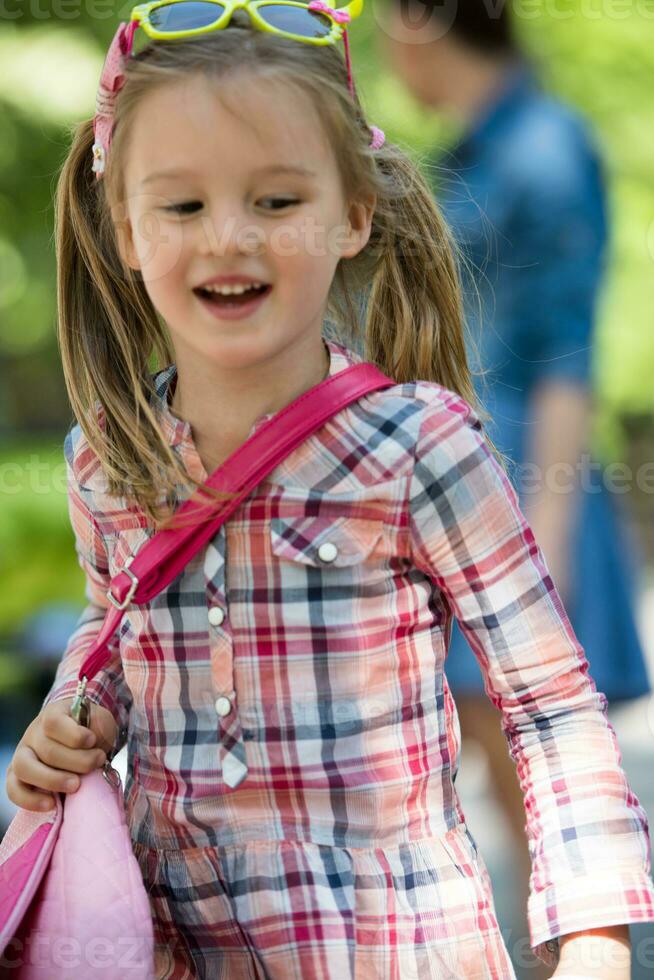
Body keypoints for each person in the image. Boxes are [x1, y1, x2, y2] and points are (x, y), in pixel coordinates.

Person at [6, 2, 654, 977]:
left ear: (352, 215)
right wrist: (67, 721)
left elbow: (551, 702)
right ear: (127, 230)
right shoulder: (107, 459)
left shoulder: (420, 447)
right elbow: (112, 640)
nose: (229, 236)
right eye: (182, 206)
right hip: (173, 937)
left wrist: (597, 938)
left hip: (385, 944)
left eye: (276, 201)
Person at [380, 0, 652, 969]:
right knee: (509, 792)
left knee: (554, 798)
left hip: (529, 494)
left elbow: (565, 358)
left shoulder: (545, 146)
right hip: (465, 491)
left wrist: (543, 540)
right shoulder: (468, 152)